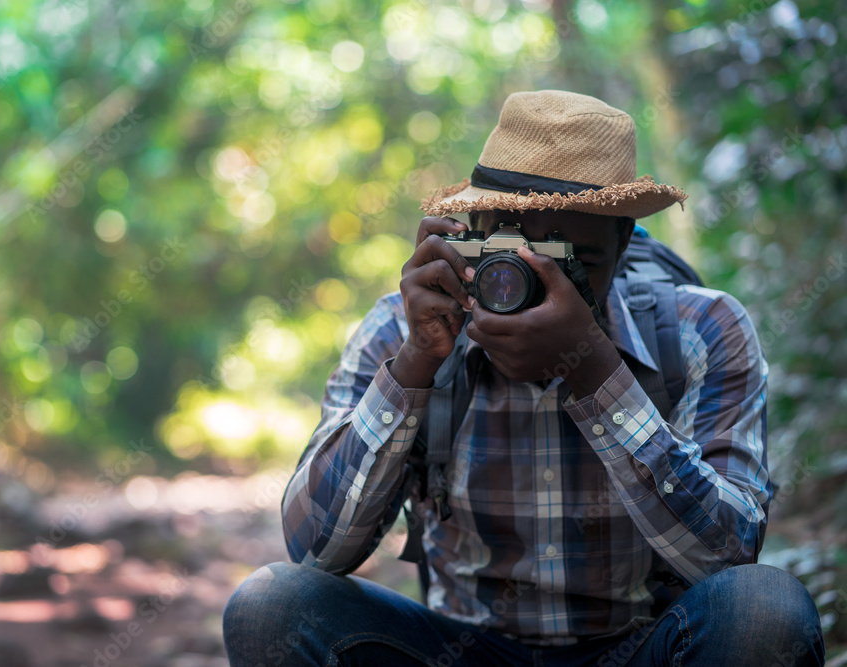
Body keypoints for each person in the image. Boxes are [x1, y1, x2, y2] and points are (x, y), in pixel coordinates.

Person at [223, 90, 825, 666]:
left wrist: (595, 374)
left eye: (574, 263)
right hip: (463, 647)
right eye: (511, 256)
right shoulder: (404, 327)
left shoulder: (701, 329)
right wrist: (415, 365)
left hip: (642, 646)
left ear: (625, 246)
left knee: (763, 609)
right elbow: (314, 551)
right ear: (473, 229)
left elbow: (728, 559)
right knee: (271, 604)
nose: (534, 284)